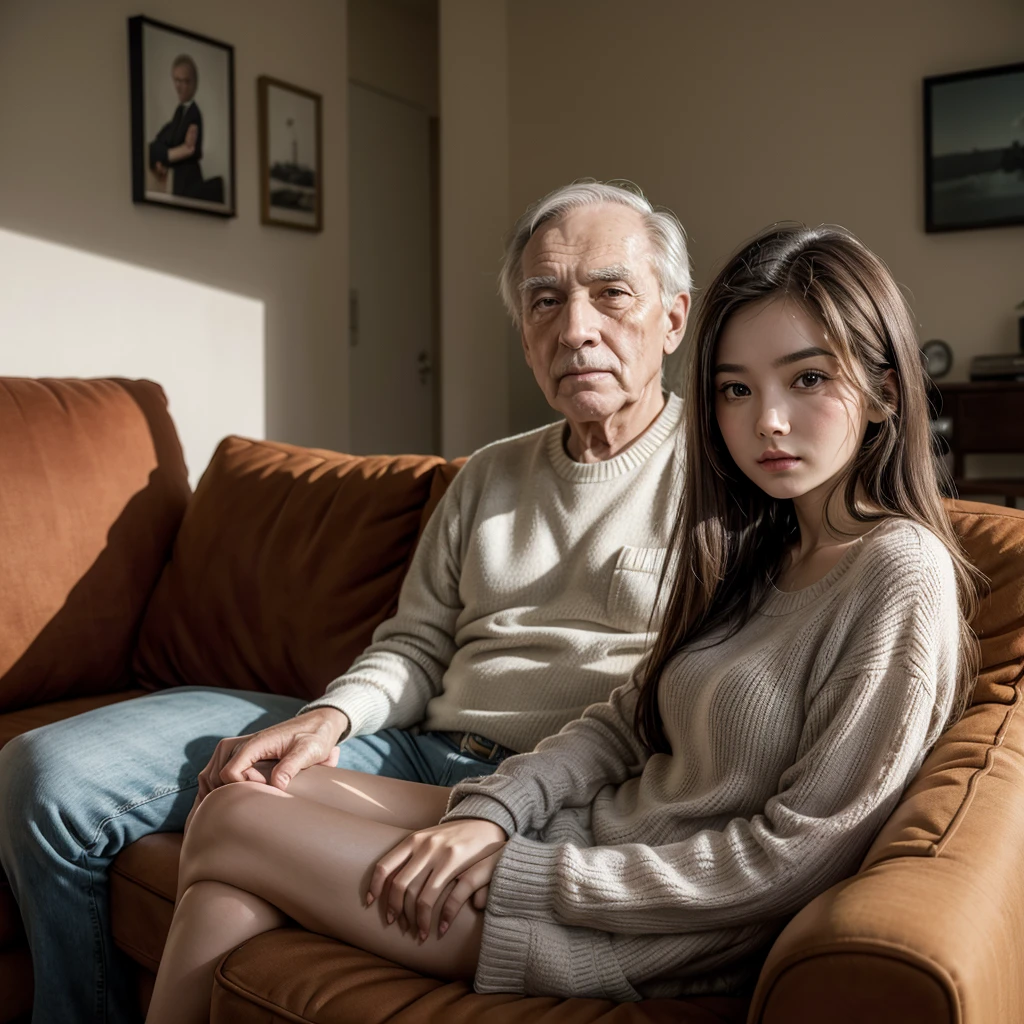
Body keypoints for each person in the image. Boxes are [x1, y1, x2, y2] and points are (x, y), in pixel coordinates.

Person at [143, 223, 982, 1022]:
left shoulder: (900, 573)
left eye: (807, 379)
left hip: (636, 926)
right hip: (581, 840)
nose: (765, 420)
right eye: (735, 388)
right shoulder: (758, 545)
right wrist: (493, 813)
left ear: (880, 390)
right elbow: (627, 724)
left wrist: (523, 871)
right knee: (262, 797)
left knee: (232, 821)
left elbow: (793, 858)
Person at [0, 181, 692, 1024]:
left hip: (550, 792)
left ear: (673, 318)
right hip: (410, 751)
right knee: (44, 774)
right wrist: (328, 720)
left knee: (238, 830)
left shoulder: (719, 486)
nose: (575, 327)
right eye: (545, 301)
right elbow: (414, 646)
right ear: (524, 332)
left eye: (611, 293)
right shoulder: (489, 475)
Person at [148, 55, 205, 199]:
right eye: (177, 81)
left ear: (194, 84)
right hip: (176, 182)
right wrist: (168, 156)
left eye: (185, 81)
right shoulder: (179, 113)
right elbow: (159, 143)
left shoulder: (193, 114)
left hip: (188, 184)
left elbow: (191, 149)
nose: (179, 87)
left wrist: (165, 155)